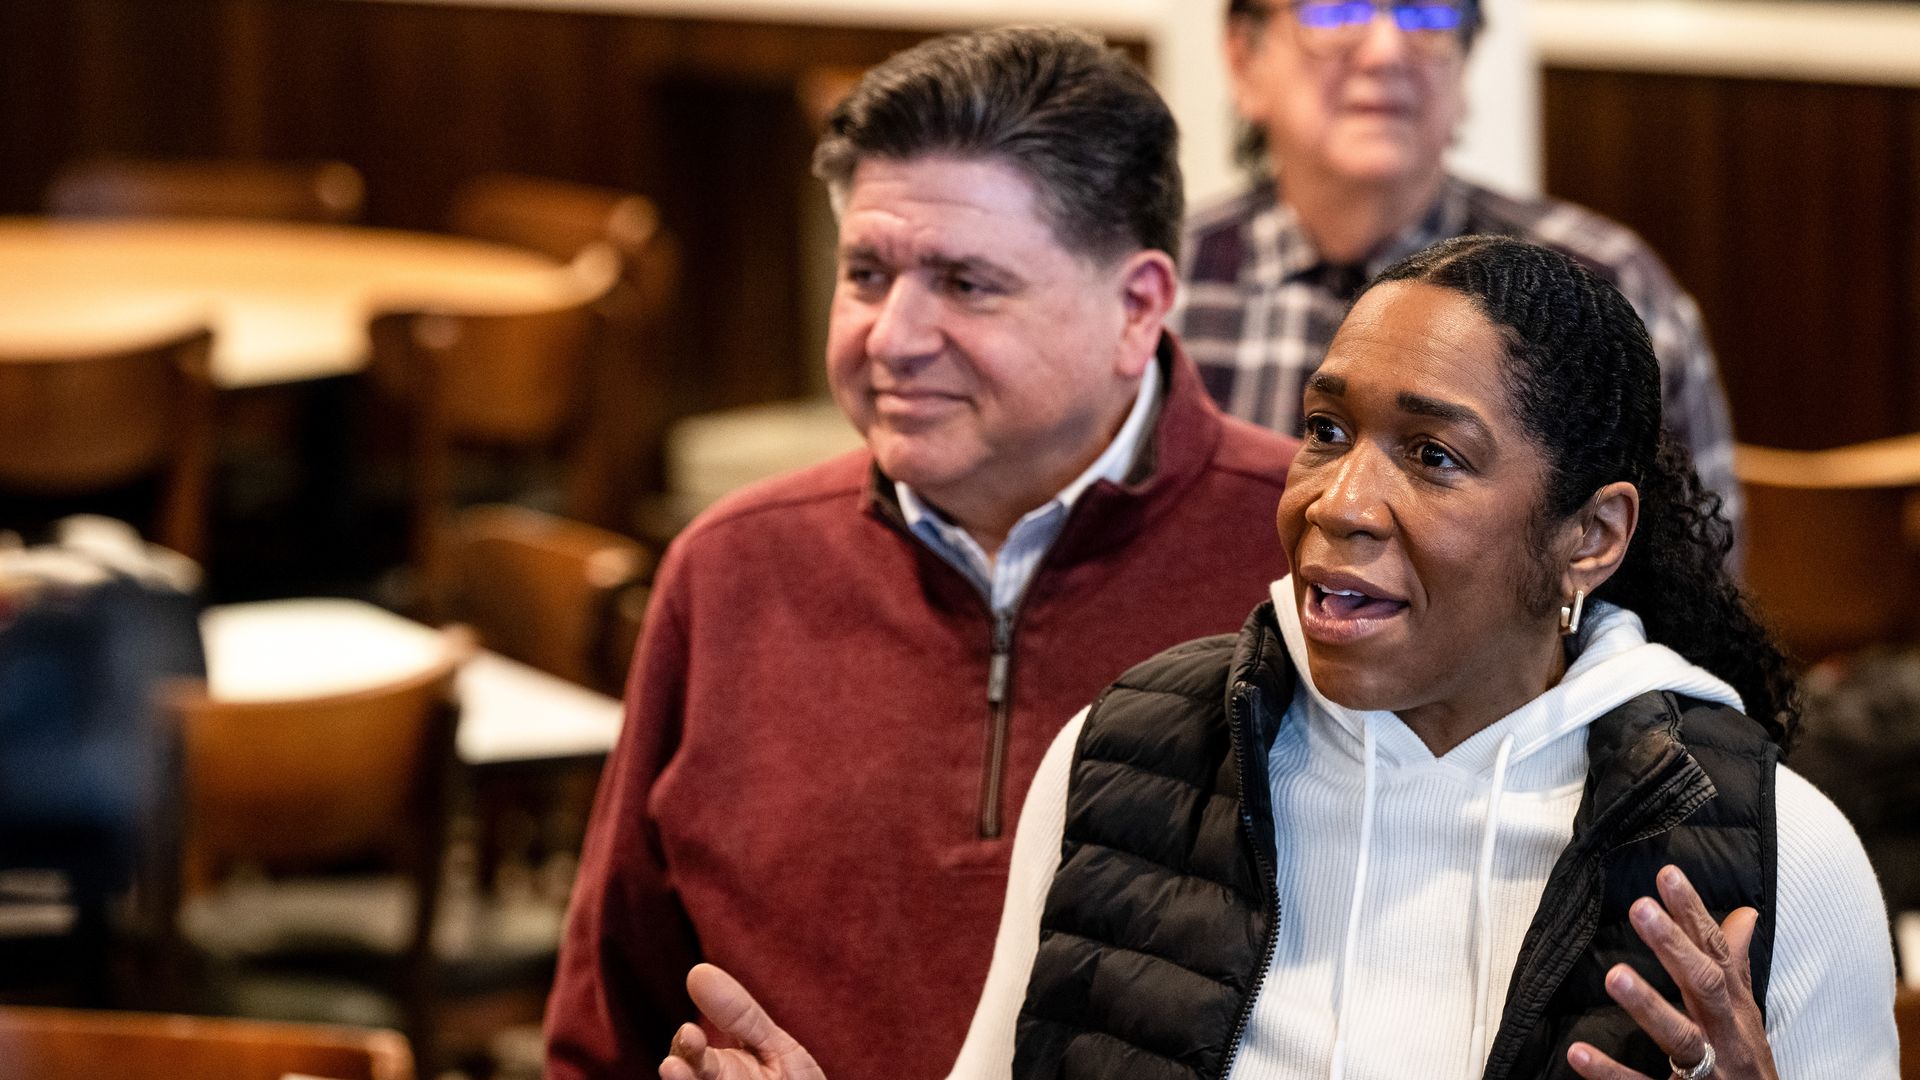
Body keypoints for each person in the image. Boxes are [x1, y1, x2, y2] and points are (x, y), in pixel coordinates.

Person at [658, 237, 1897, 1080]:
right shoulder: (1122, 757)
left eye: (1434, 455)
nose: (1338, 502)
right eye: (1325, 430)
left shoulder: (1772, 858)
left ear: (1591, 536)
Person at [544, 26, 1301, 1080]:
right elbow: (604, 1030)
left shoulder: (1312, 568)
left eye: (966, 283)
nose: (892, 336)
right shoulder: (730, 569)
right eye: (866, 272)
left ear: (1137, 307)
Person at [1174, 0, 1743, 537]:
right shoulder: (1164, 287)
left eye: (1427, 12)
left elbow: (1692, 582)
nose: (1385, 49)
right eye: (1335, 10)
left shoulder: (1601, 286)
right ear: (1244, 60)